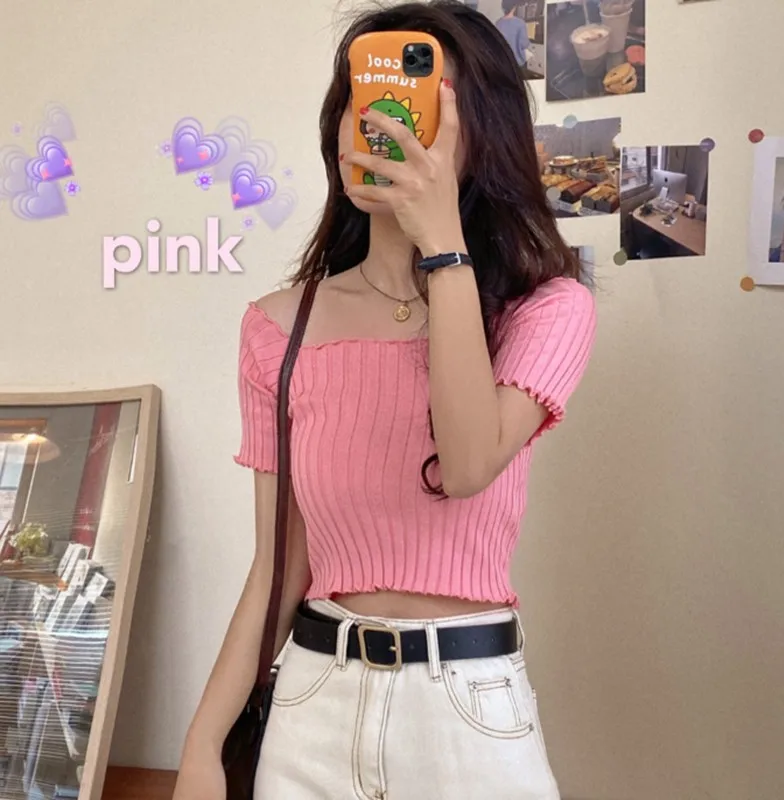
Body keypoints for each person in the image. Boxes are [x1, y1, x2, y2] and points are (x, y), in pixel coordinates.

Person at [174, 2, 596, 798]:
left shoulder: (546, 311)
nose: (378, 125)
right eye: (360, 100)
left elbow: (467, 466)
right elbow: (276, 568)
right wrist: (202, 746)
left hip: (468, 710)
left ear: (481, 133)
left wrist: (442, 248)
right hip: (311, 703)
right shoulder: (277, 328)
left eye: (417, 104)